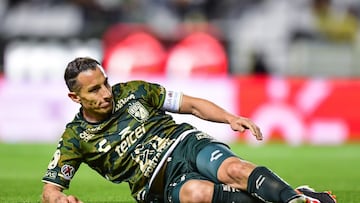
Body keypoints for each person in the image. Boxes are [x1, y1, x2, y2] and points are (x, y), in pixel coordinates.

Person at [41, 57, 336, 203]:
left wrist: (229, 118)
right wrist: (59, 200)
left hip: (185, 144)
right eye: (95, 89)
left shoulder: (134, 91)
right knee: (198, 194)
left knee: (234, 170)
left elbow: (190, 105)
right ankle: (296, 194)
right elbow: (50, 190)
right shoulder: (74, 139)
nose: (106, 93)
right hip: (156, 184)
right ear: (75, 97)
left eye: (105, 82)